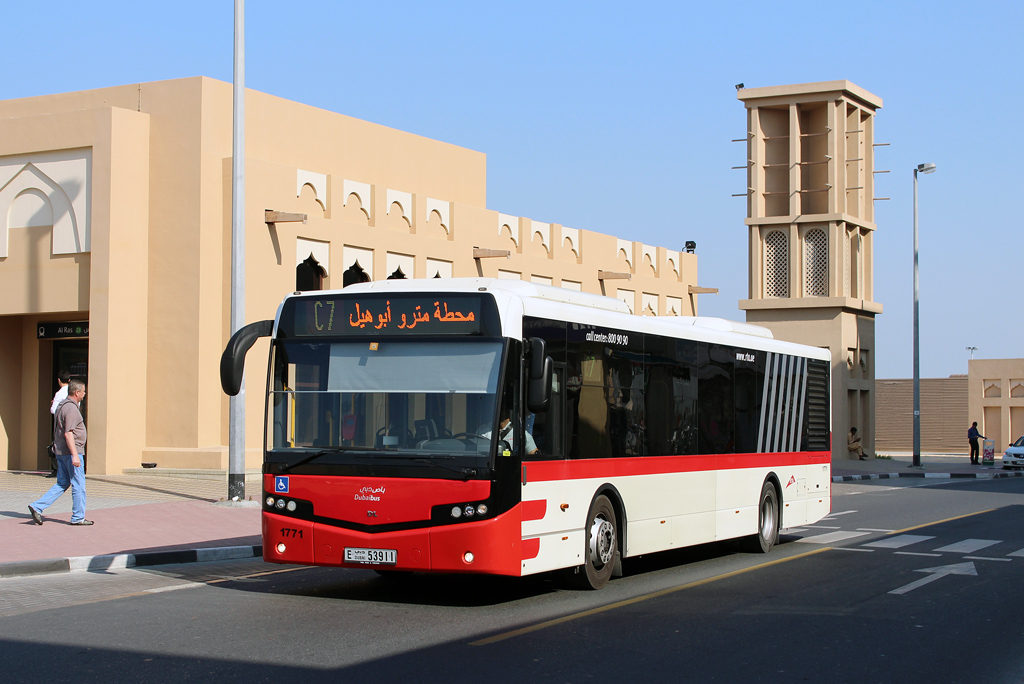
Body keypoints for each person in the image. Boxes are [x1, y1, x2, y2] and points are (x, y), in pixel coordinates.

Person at [28, 380, 93, 526]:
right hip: (71, 452)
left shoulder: (61, 405)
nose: (84, 394)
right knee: (79, 485)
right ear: (77, 392)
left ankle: (37, 506)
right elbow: (68, 433)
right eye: (83, 391)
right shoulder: (70, 409)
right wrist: (75, 454)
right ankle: (78, 517)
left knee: (63, 483)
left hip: (62, 452)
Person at [44, 370, 71, 477]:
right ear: (69, 380)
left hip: (60, 423)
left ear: (59, 380)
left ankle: (57, 469)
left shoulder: (59, 394)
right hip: (71, 421)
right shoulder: (73, 392)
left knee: (58, 444)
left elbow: (53, 410)